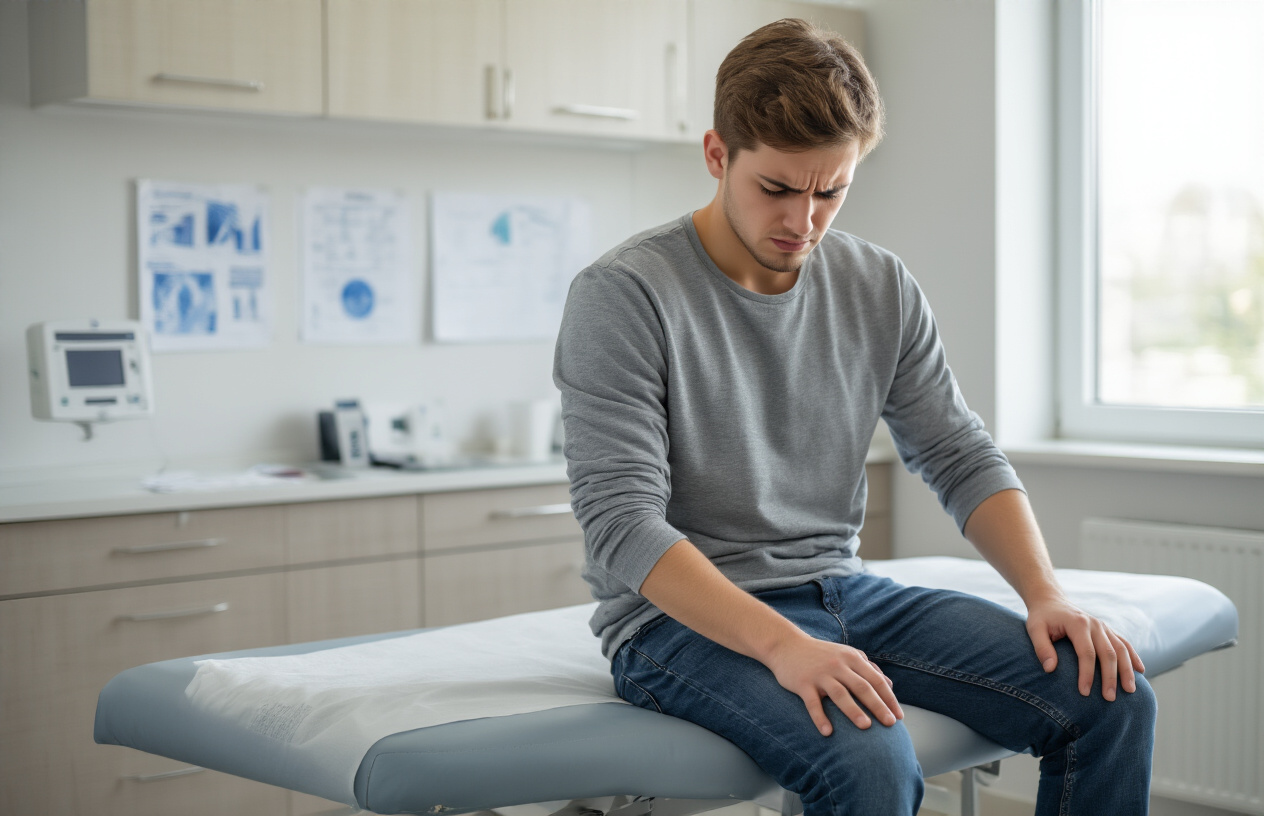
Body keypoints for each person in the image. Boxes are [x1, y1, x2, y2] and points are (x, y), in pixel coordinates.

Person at [552, 18, 1155, 816]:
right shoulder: (625, 295)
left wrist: (1045, 594)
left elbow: (956, 450)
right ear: (716, 155)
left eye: (830, 191)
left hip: (843, 590)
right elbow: (622, 524)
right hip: (674, 627)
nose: (803, 221)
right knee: (868, 760)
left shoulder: (879, 284)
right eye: (777, 188)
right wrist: (784, 646)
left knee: (1109, 699)